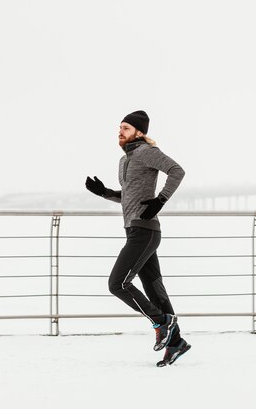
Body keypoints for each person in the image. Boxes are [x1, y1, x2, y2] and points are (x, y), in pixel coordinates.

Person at [85, 110, 191, 366]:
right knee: (155, 291)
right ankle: (176, 342)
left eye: (126, 128)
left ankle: (161, 321)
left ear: (140, 132)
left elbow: (177, 171)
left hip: (145, 230)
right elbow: (130, 196)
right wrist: (105, 193)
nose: (120, 131)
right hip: (136, 230)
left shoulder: (146, 152)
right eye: (119, 127)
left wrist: (160, 200)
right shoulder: (126, 160)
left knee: (117, 284)